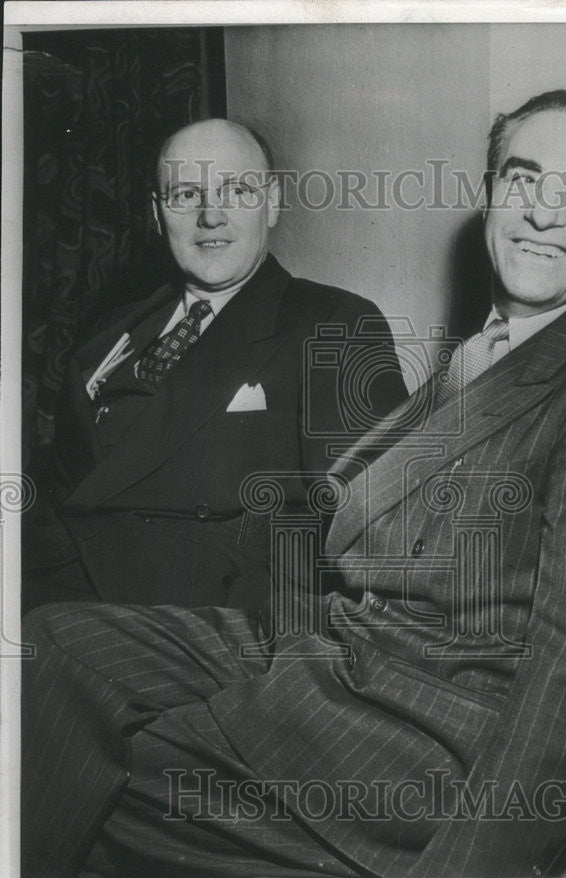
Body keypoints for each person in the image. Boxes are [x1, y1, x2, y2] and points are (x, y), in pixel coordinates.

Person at [22, 91, 566, 878]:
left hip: (425, 744)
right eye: (523, 180)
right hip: (335, 659)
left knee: (103, 770)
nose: (544, 214)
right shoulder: (484, 355)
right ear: (490, 195)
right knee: (53, 645)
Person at [22, 118, 407, 611]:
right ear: (157, 215)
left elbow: (364, 528)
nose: (211, 216)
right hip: (48, 585)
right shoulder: (104, 336)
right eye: (185, 194)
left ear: (272, 203)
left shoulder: (333, 324)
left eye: (237, 190)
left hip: (196, 622)